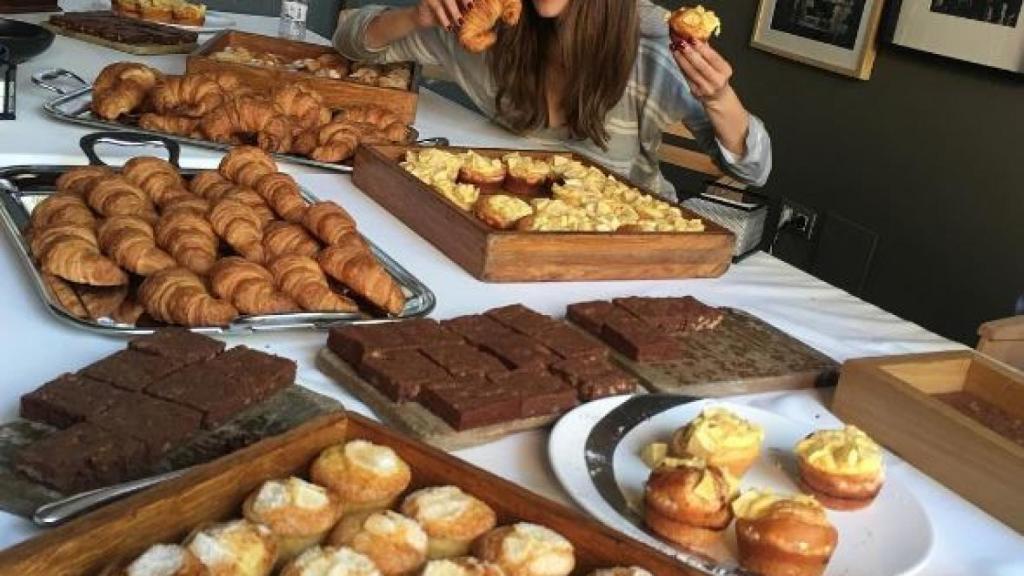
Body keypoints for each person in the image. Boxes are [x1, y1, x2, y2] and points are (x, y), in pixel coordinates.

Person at [334, 0, 771, 200]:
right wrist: (415, 15)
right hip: (504, 220)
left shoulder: (653, 47)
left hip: (620, 245)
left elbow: (753, 169)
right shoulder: (487, 28)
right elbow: (352, 40)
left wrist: (718, 98)